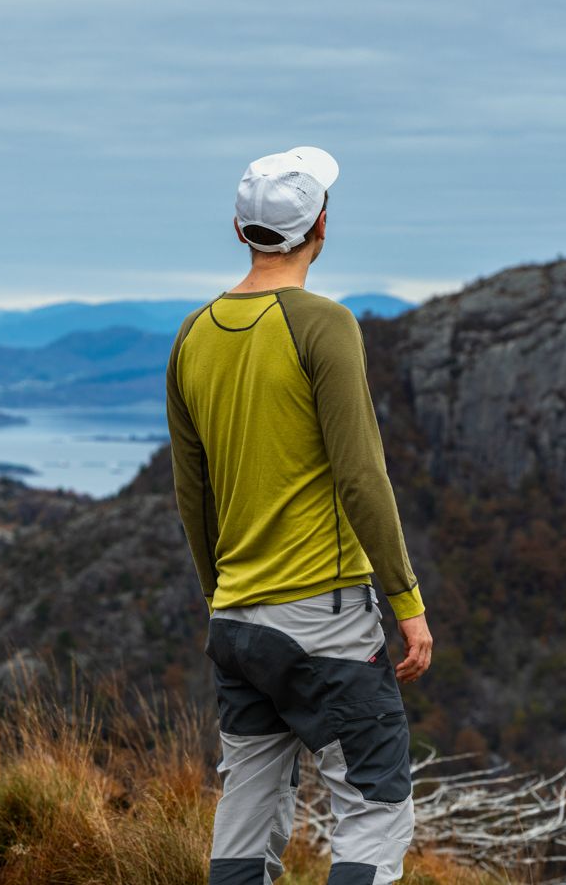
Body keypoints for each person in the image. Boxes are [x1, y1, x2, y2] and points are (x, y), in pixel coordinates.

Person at [165, 147, 433, 885]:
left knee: (248, 806)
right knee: (375, 806)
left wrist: (221, 595)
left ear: (239, 228)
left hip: (236, 617)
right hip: (325, 615)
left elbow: (195, 495)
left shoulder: (193, 334)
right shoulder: (325, 325)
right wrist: (406, 602)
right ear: (321, 225)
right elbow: (360, 476)